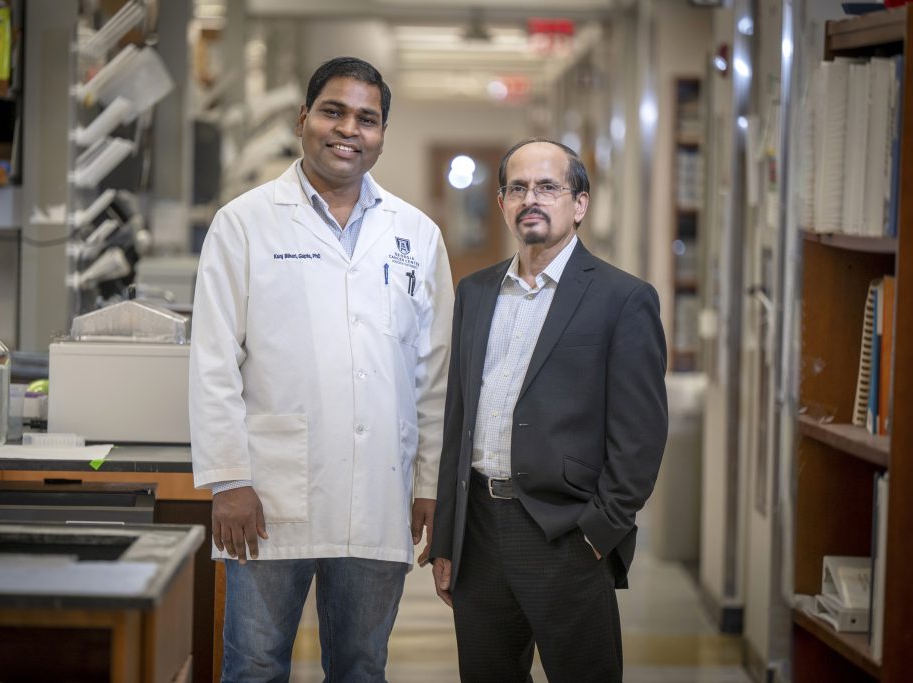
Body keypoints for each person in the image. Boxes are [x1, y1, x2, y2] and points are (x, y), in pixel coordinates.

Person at [189, 56, 453, 682]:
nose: (348, 129)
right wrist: (228, 480)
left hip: (379, 488)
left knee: (361, 668)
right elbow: (213, 361)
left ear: (382, 134)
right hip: (269, 494)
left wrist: (430, 483)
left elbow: (435, 373)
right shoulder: (244, 223)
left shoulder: (417, 235)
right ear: (303, 117)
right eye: (334, 111)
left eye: (367, 118)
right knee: (253, 665)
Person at [429, 138, 668, 682]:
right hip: (480, 535)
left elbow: (641, 438)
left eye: (547, 187)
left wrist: (598, 533)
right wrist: (447, 538)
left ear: (579, 204)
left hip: (566, 535)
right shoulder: (475, 292)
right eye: (517, 188)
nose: (530, 199)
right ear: (502, 203)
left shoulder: (622, 299)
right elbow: (457, 423)